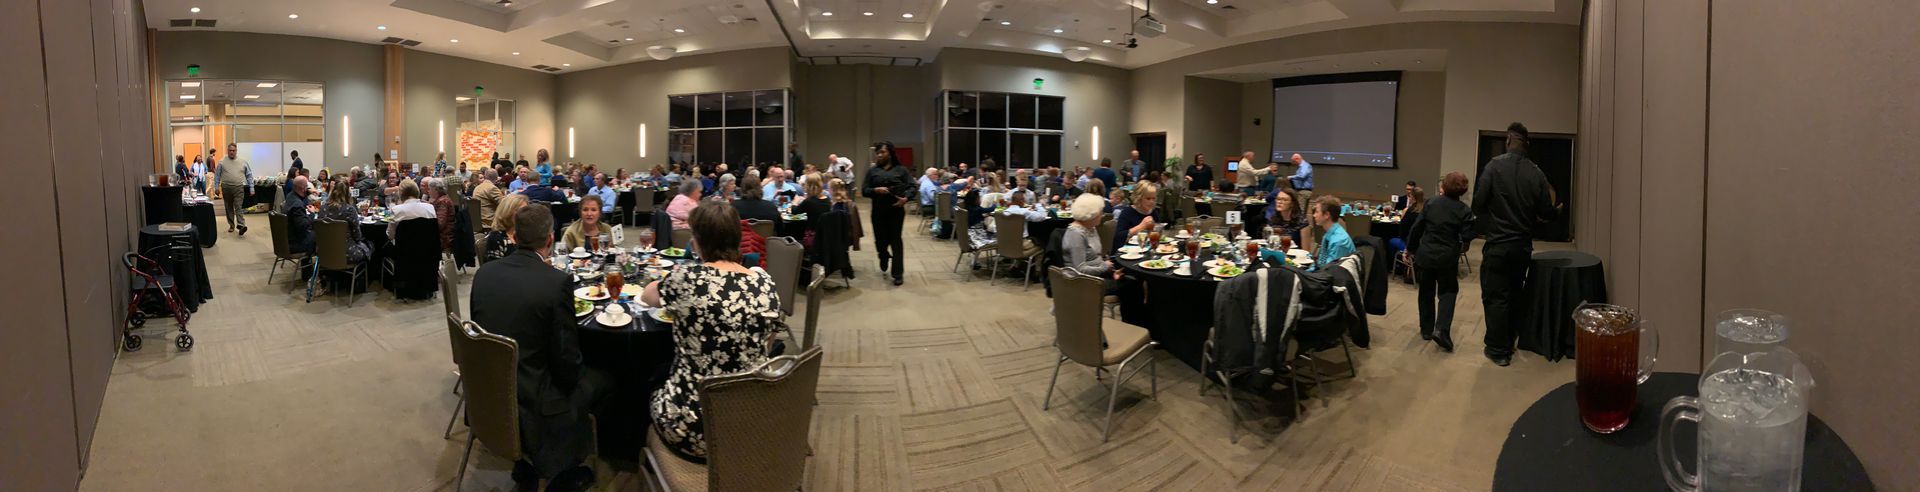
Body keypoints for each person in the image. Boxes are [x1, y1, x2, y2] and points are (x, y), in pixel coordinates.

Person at [469, 205, 608, 491]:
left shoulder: (484, 274)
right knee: (605, 379)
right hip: (536, 400)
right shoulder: (555, 283)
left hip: (488, 391)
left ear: (515, 237)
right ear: (549, 240)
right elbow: (567, 362)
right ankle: (567, 466)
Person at [639, 200, 782, 465]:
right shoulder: (764, 281)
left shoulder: (687, 280)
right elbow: (769, 341)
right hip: (752, 418)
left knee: (645, 382)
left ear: (697, 241)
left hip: (693, 428)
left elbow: (647, 296)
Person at [1474, 122, 1557, 366]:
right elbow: (1546, 211)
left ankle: (1498, 349)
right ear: (1527, 143)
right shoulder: (1536, 173)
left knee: (1495, 295)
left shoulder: (1493, 166)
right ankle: (1510, 338)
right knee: (1514, 293)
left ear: (1509, 140)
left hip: (1498, 244)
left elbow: (1478, 204)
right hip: (1522, 246)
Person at [1408, 172, 1476, 352]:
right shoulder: (1464, 210)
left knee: (1426, 292)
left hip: (1426, 255)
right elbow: (1469, 235)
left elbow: (1417, 228)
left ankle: (1426, 330)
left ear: (1444, 187)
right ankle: (1442, 329)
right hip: (1447, 258)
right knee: (1448, 292)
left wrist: (1410, 248)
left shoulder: (1431, 203)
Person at [862, 142, 912, 286]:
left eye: (882, 152)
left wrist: (906, 198)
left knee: (896, 240)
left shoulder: (901, 170)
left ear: (890, 153)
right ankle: (883, 256)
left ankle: (898, 274)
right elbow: (864, 190)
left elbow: (912, 186)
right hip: (878, 211)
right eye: (878, 153)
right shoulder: (872, 171)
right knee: (880, 241)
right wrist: (875, 190)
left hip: (896, 211)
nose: (879, 155)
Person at [1062, 193, 1121, 283]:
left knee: (1129, 278)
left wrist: (1110, 270)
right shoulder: (1076, 234)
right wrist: (1104, 267)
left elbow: (1096, 257)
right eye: (1100, 213)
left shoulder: (1091, 227)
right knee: (1128, 287)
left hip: (1097, 275)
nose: (1103, 215)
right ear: (1091, 215)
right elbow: (1080, 270)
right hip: (1083, 283)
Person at [1110, 183, 1167, 254]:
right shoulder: (1127, 212)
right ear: (1139, 198)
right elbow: (1118, 237)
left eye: (1154, 198)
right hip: (1127, 254)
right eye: (1148, 198)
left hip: (1146, 251)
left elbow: (1156, 236)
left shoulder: (1154, 212)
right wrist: (1141, 226)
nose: (1152, 202)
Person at [214, 143, 253, 235]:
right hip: (226, 187)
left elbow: (249, 175)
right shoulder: (222, 162)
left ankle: (241, 225)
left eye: (233, 150)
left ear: (236, 151)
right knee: (229, 207)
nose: (232, 152)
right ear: (227, 151)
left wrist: (251, 187)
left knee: (238, 206)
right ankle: (231, 225)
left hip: (238, 188)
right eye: (230, 150)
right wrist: (216, 187)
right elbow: (217, 176)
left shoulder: (242, 162)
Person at [1308, 196, 1354, 272]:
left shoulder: (1339, 241)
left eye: (1316, 212)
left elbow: (1331, 272)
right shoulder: (1330, 234)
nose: (1314, 215)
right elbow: (1321, 262)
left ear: (1326, 215)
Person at [483, 194, 530, 262]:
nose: (525, 214)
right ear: (508, 212)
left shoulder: (528, 233)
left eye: (526, 211)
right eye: (520, 211)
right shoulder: (496, 238)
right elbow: (495, 269)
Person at [282, 176, 316, 254]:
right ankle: (308, 264)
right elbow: (304, 226)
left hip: (285, 239)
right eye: (306, 187)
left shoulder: (290, 196)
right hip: (295, 243)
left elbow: (300, 191)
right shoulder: (297, 205)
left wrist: (308, 192)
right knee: (322, 235)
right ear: (303, 188)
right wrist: (312, 214)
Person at [427, 178, 457, 251]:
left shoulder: (442, 202)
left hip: (444, 238)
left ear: (436, 190)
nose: (428, 191)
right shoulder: (443, 198)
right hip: (446, 234)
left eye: (429, 189)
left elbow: (439, 224)